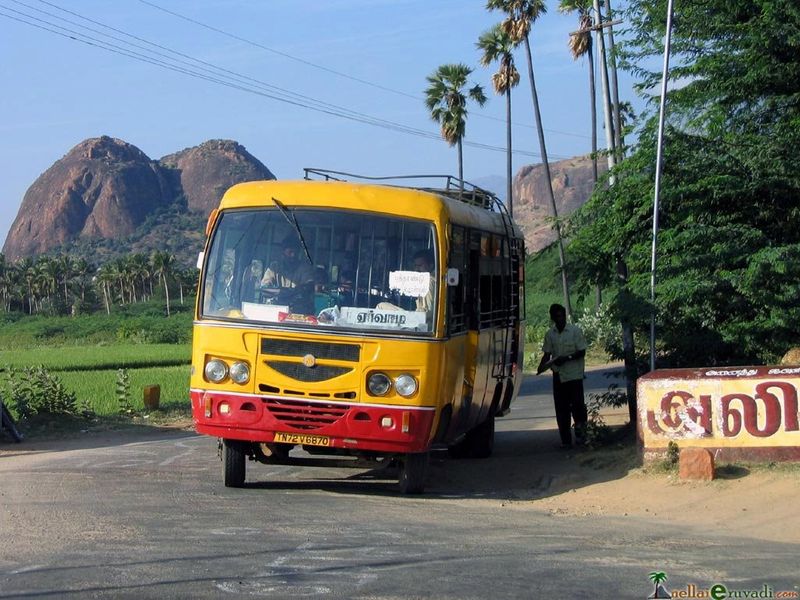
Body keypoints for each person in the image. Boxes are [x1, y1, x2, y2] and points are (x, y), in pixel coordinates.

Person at [536, 303, 588, 448]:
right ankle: (565, 440)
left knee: (578, 407)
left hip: (575, 376)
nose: (560, 319)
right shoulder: (550, 334)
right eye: (557, 317)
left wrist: (567, 358)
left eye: (562, 316)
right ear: (552, 317)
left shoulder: (575, 331)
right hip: (559, 376)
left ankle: (581, 436)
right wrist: (541, 367)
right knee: (561, 409)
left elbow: (582, 352)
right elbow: (547, 354)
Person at [411, 248, 434, 314]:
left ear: (431, 265)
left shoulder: (429, 281)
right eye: (415, 266)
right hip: (417, 316)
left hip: (423, 320)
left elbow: (427, 312)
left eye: (420, 266)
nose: (416, 269)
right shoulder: (419, 281)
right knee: (381, 306)